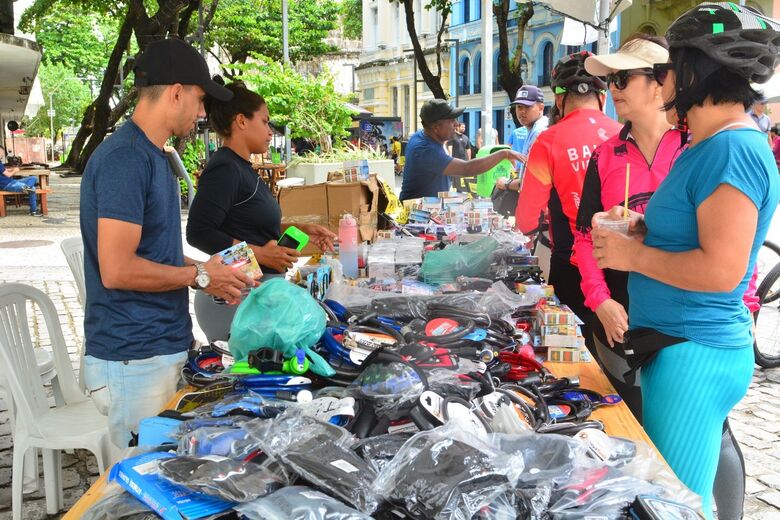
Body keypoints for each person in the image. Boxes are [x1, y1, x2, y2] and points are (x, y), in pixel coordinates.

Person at [591, 5, 780, 518]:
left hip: (694, 352)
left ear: (697, 69)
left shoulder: (732, 149)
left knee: (673, 506)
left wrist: (634, 254)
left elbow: (721, 271)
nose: (663, 78)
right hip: (678, 347)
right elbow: (698, 232)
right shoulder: (709, 145)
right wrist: (643, 228)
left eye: (668, 66)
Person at [79, 38, 253, 448]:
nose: (202, 112)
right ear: (176, 93)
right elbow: (118, 268)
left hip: (162, 345)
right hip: (134, 355)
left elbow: (154, 251)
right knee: (143, 489)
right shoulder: (125, 159)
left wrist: (214, 272)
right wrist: (198, 276)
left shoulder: (155, 156)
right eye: (199, 100)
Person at [187, 80, 337, 341]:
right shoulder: (224, 169)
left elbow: (248, 225)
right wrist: (259, 254)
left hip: (257, 294)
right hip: (234, 299)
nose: (270, 131)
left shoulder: (243, 167)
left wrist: (301, 230)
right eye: (265, 121)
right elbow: (199, 232)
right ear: (241, 121)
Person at [515, 51, 622, 352]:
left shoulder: (548, 141)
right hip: (623, 270)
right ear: (602, 97)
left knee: (572, 357)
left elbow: (525, 221)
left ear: (559, 100)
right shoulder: (623, 134)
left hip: (573, 267)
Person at [399, 99, 524, 201]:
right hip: (417, 216)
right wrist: (504, 153)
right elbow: (467, 169)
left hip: (429, 209)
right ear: (436, 127)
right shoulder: (424, 149)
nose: (456, 124)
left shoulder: (425, 136)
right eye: (451, 120)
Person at [496, 84, 549, 192]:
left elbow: (534, 181)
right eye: (519, 107)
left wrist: (506, 183)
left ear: (541, 108)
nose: (522, 111)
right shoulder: (532, 129)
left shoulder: (539, 132)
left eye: (528, 107)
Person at [447, 122, 474, 193]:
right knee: (454, 178)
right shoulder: (452, 136)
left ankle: (461, 192)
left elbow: (468, 149)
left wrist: (469, 160)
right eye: (462, 127)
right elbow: (450, 148)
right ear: (457, 127)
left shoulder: (466, 137)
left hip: (464, 161)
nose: (464, 129)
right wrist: (450, 159)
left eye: (464, 127)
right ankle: (450, 191)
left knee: (462, 178)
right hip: (455, 161)